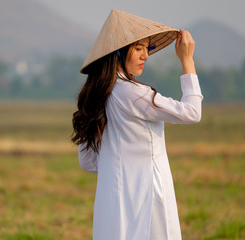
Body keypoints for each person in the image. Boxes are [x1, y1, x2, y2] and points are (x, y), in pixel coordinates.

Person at [71, 9, 203, 240]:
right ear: (118, 53)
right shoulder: (135, 94)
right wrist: (187, 60)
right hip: (149, 194)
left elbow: (88, 161)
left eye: (147, 48)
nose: (146, 56)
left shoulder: (97, 95)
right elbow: (192, 112)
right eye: (138, 48)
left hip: (111, 198)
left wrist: (120, 167)